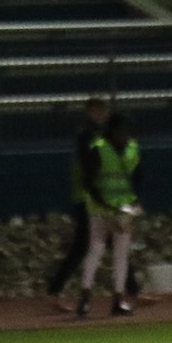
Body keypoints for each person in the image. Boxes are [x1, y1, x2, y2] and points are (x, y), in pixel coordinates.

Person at [74, 113, 142, 319]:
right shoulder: (99, 148)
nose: (124, 135)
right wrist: (108, 208)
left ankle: (118, 300)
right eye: (121, 131)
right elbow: (88, 182)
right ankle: (85, 298)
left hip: (121, 208)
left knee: (121, 254)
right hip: (101, 209)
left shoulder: (132, 149)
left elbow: (138, 177)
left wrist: (134, 204)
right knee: (96, 248)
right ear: (112, 131)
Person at [46, 96, 110, 309]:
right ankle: (54, 290)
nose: (102, 114)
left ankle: (132, 290)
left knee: (106, 241)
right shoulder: (86, 135)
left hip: (94, 197)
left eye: (103, 110)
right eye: (98, 110)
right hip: (88, 198)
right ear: (90, 112)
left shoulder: (98, 134)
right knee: (84, 245)